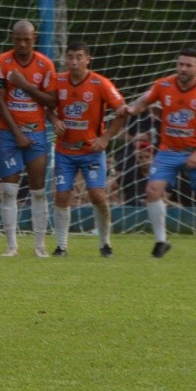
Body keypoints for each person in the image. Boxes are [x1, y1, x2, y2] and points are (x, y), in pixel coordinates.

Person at [119, 50, 196, 258]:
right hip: (168, 151)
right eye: (180, 64)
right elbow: (145, 100)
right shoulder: (163, 85)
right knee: (152, 190)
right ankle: (161, 241)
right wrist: (132, 108)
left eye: (188, 65)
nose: (183, 69)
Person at [46, 40, 126, 256]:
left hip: (91, 151)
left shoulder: (101, 84)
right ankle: (61, 246)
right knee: (62, 195)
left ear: (88, 59)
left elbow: (122, 111)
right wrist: (54, 120)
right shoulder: (57, 81)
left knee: (97, 195)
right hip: (64, 150)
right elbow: (46, 106)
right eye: (70, 57)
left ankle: (105, 243)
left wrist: (106, 138)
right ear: (65, 59)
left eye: (79, 57)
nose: (74, 62)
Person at [0, 19, 58, 257]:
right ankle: (12, 246)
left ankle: (40, 246)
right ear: (12, 39)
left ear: (34, 39)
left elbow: (52, 101)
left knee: (38, 190)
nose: (22, 44)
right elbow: (0, 101)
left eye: (27, 40)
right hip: (9, 134)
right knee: (9, 189)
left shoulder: (45, 65)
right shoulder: (1, 63)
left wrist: (26, 86)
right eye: (18, 39)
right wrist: (17, 133)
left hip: (37, 132)